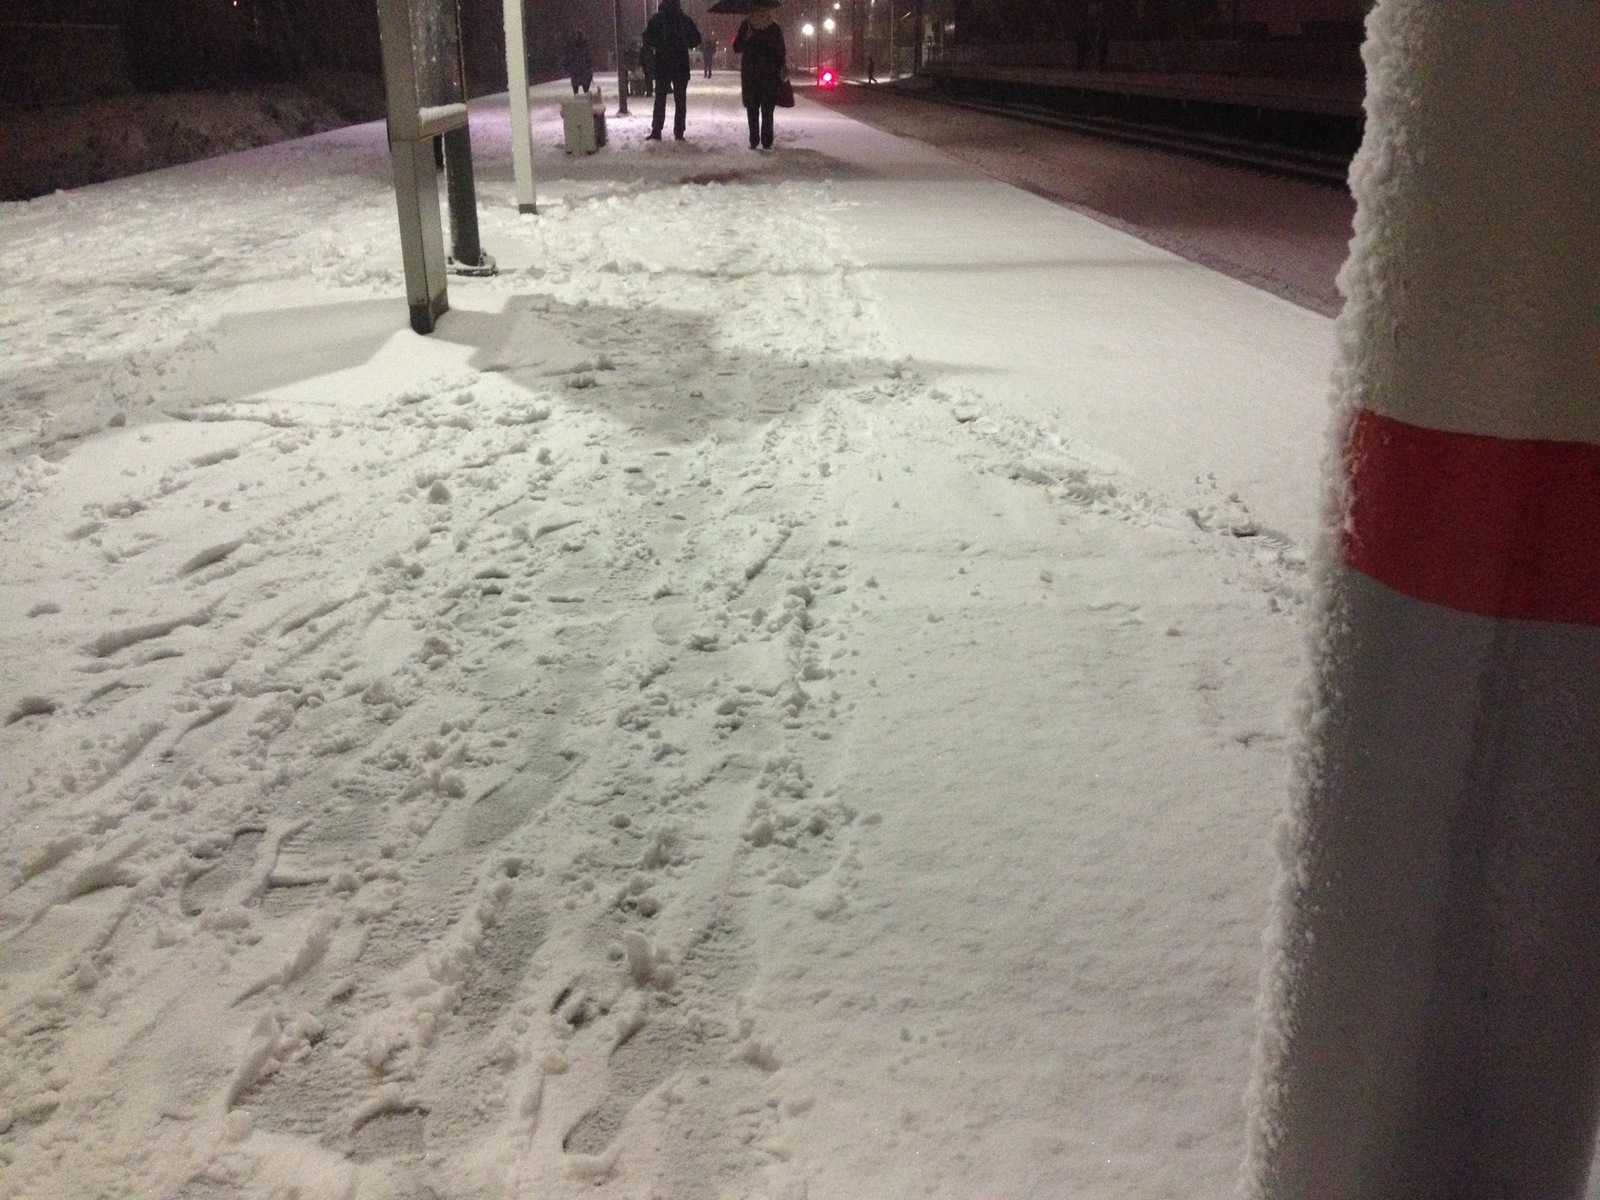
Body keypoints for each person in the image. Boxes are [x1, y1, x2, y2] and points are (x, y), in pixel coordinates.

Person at [641, 0, 702, 141]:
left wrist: (659, 44)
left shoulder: (658, 19)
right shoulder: (684, 20)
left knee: (660, 98)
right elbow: (696, 39)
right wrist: (685, 42)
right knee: (680, 100)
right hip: (680, 64)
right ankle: (679, 132)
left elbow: (647, 37)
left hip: (662, 63)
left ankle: (657, 130)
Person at [733, 7, 786, 151]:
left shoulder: (747, 25)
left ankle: (754, 140)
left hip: (750, 74)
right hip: (769, 74)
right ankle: (767, 142)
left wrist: (748, 40)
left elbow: (736, 47)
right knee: (768, 110)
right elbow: (781, 52)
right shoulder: (774, 27)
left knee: (752, 108)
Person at [563, 29, 594, 94]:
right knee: (575, 86)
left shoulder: (583, 46)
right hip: (576, 69)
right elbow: (569, 57)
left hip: (583, 68)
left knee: (585, 85)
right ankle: (577, 97)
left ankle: (585, 97)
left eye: (577, 35)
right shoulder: (572, 46)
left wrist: (589, 66)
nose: (576, 37)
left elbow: (588, 57)